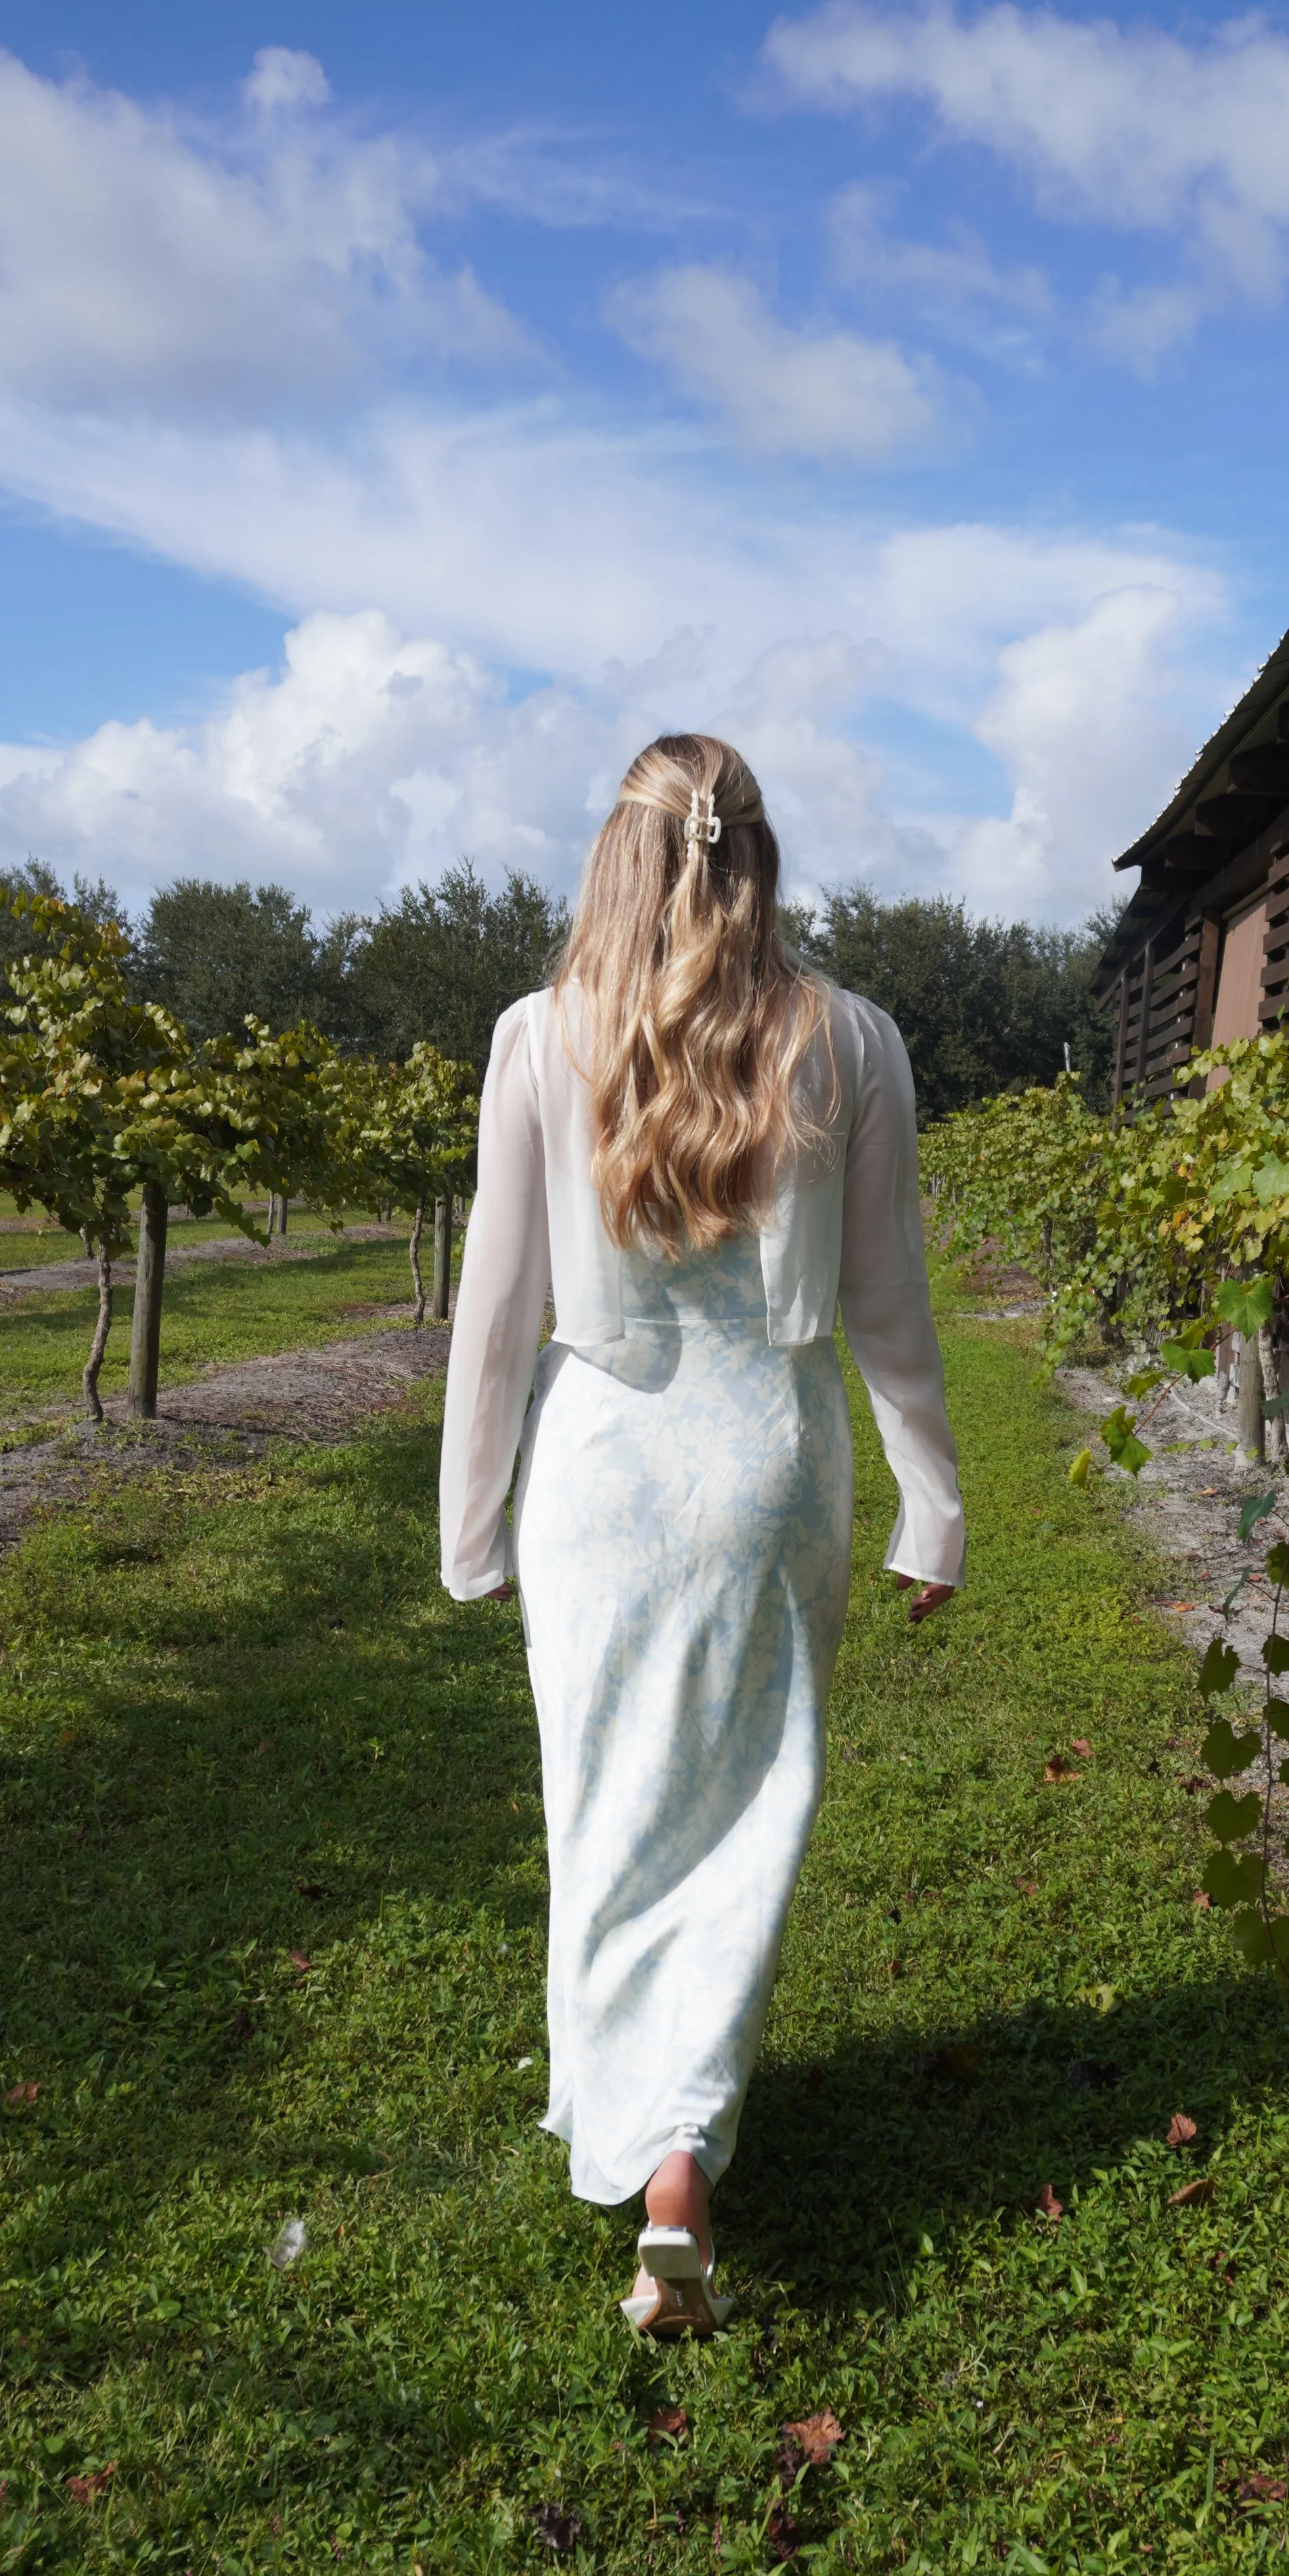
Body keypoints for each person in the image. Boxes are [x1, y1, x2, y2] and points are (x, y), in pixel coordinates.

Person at [438, 733, 964, 2338]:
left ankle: (641, 2135)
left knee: (606, 1811)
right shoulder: (852, 1038)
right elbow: (885, 1302)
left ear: (617, 852)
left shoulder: (537, 1039)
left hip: (600, 1467)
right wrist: (930, 1505)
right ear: (759, 858)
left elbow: (500, 1307)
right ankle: (680, 2149)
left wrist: (471, 1525)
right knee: (749, 1808)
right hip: (768, 1462)